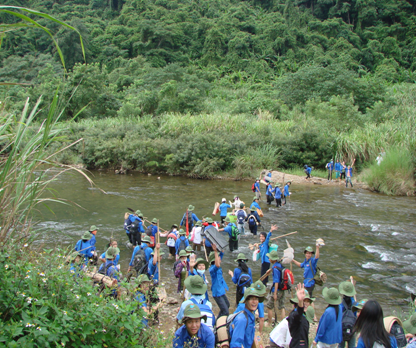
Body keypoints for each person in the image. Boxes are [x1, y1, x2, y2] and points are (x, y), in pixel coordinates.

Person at [292, 243, 321, 321]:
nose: (308, 254)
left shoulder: (312, 261)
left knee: (308, 298)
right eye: (307, 253)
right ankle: (310, 313)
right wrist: (293, 260)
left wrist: (317, 248)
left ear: (311, 254)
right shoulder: (306, 261)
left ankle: (313, 315)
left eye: (310, 253)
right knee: (308, 298)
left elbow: (317, 257)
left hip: (310, 283)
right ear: (305, 254)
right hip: (306, 282)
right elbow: (300, 265)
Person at [287, 283, 315, 348]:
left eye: (307, 301)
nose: (305, 303)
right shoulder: (294, 315)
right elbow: (298, 315)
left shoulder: (304, 315)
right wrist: (300, 302)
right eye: (303, 301)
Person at [265, 250, 286, 326]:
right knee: (281, 306)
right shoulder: (279, 265)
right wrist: (270, 270)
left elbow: (276, 281)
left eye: (270, 258)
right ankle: (283, 323)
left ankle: (269, 323)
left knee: (269, 306)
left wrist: (275, 293)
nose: (269, 259)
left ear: (273, 259)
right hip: (282, 289)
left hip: (277, 289)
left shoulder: (275, 268)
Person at [208, 244, 230, 318]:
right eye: (218, 258)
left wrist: (220, 246)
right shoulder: (212, 269)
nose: (220, 258)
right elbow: (217, 265)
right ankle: (218, 323)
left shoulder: (218, 265)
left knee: (227, 305)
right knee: (226, 311)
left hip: (221, 291)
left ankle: (219, 319)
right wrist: (215, 251)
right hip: (217, 293)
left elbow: (222, 252)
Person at [338, 281, 358, 348]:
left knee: (341, 346)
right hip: (352, 329)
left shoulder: (340, 305)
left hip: (342, 329)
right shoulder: (355, 304)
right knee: (352, 346)